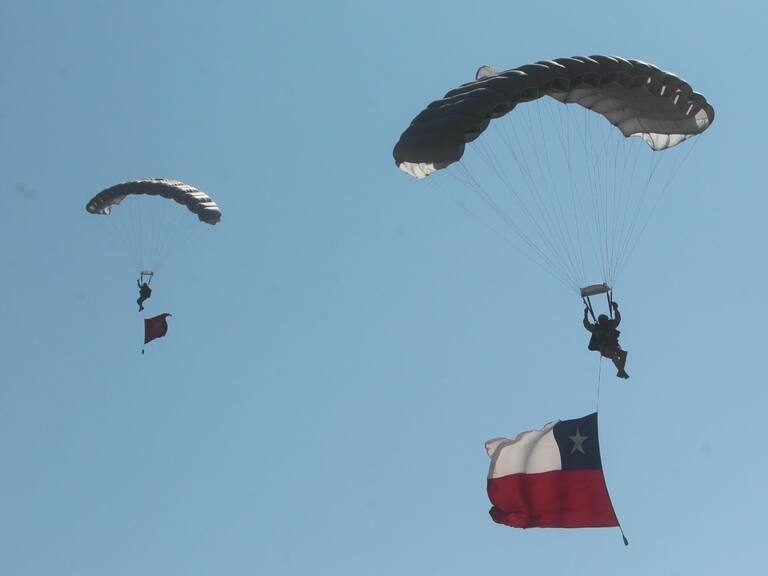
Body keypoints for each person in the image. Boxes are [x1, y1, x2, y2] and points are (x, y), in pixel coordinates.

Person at [583, 301, 629, 379]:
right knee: (614, 356)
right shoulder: (596, 328)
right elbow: (586, 325)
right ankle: (621, 371)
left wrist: (615, 309)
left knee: (623, 354)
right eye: (601, 319)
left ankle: (621, 371)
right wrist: (586, 314)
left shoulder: (610, 325)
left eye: (604, 319)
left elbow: (618, 320)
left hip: (614, 346)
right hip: (605, 348)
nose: (603, 320)